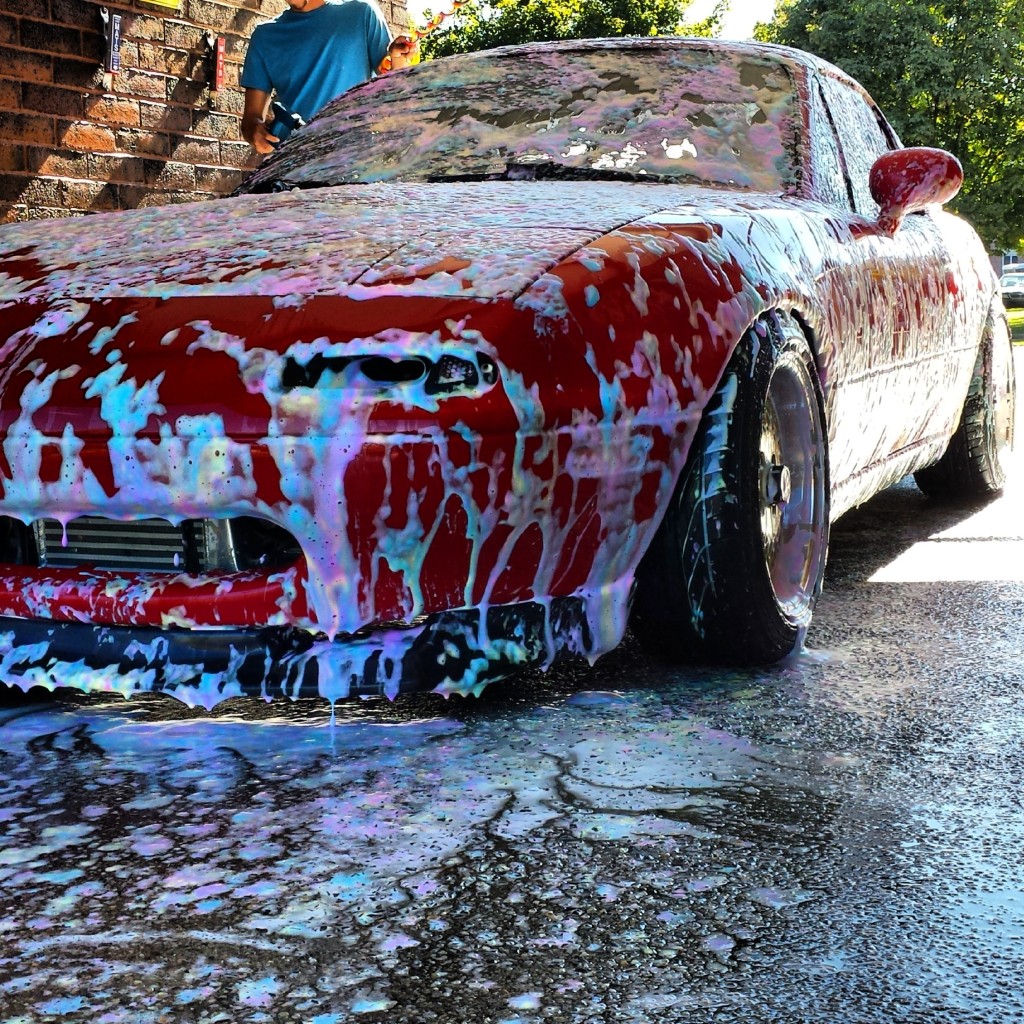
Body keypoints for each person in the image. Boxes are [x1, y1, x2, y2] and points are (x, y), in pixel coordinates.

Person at [240, 0, 415, 155]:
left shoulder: (361, 13)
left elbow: (394, 85)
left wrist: (399, 58)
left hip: (355, 163)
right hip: (294, 169)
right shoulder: (264, 36)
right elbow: (251, 120)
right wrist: (256, 133)